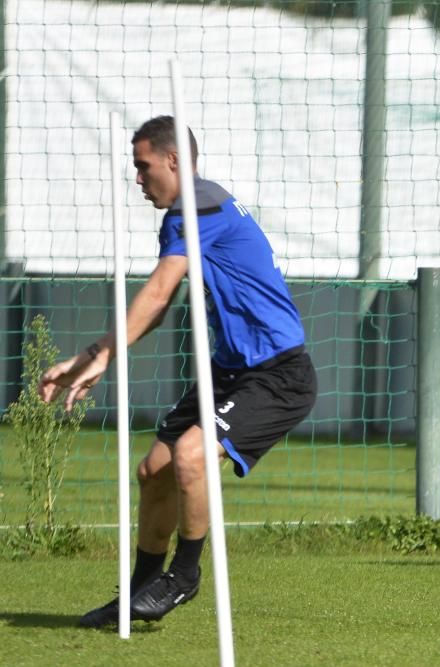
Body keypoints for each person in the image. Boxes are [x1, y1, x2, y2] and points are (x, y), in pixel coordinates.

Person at [40, 115, 317, 626]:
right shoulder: (189, 213)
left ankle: (184, 577)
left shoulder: (199, 208)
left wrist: (102, 353)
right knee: (154, 471)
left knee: (191, 456)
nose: (139, 179)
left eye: (143, 167)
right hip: (230, 370)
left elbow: (161, 290)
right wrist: (93, 354)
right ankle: (140, 590)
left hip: (278, 374)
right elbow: (162, 304)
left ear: (173, 160)